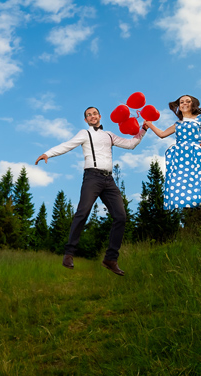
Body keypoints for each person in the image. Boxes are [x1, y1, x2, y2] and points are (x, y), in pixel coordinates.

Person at [35, 106, 147, 276]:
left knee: (121, 216)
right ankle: (69, 254)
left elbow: (130, 144)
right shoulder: (84, 133)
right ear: (86, 120)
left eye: (94, 113)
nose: (92, 116)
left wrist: (143, 130)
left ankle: (110, 259)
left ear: (100, 116)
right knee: (83, 212)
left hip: (109, 180)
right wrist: (48, 153)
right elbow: (67, 145)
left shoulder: (109, 135)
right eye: (89, 115)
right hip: (92, 177)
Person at [144, 95, 201, 219]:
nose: (184, 103)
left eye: (188, 101)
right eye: (181, 102)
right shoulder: (178, 124)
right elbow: (162, 134)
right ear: (179, 107)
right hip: (179, 159)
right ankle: (190, 214)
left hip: (197, 156)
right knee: (177, 195)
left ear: (193, 104)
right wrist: (150, 124)